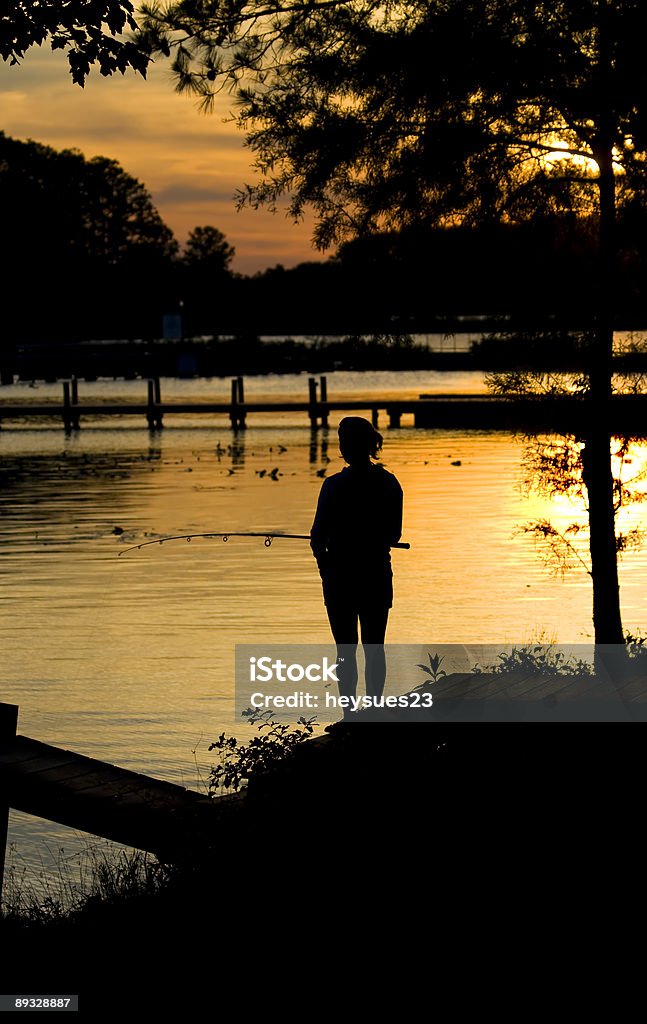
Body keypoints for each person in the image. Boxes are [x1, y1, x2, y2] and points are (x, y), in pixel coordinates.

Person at [310, 416, 403, 714]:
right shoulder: (389, 483)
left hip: (340, 579)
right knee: (375, 647)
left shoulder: (333, 486)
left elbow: (316, 538)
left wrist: (326, 569)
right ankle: (374, 710)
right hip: (376, 574)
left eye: (342, 440)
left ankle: (349, 715)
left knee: (345, 650)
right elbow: (394, 534)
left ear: (347, 446)